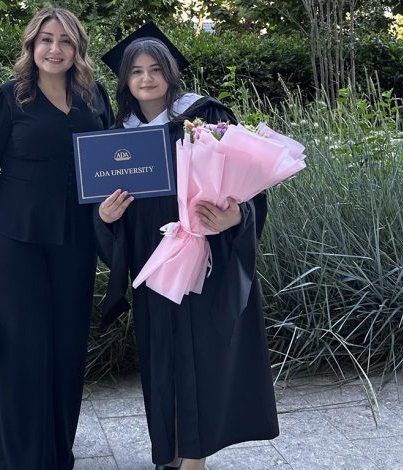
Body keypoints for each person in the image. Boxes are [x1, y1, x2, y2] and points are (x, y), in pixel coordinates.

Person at [95, 23, 278, 470]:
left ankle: (195, 457)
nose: (146, 79)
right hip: (151, 260)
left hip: (204, 256)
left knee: (200, 354)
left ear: (171, 72)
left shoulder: (205, 116)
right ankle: (171, 452)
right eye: (136, 71)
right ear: (125, 80)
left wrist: (237, 216)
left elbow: (250, 185)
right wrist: (105, 218)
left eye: (156, 69)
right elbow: (99, 207)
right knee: (161, 356)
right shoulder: (116, 134)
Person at [0, 8, 114, 469]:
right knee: (22, 349)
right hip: (14, 237)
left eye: (65, 41)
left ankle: (57, 454)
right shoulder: (8, 98)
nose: (55, 49)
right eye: (46, 39)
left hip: (77, 236)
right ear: (31, 46)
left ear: (78, 48)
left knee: (68, 345)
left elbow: (111, 158)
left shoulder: (94, 96)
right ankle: (22, 459)